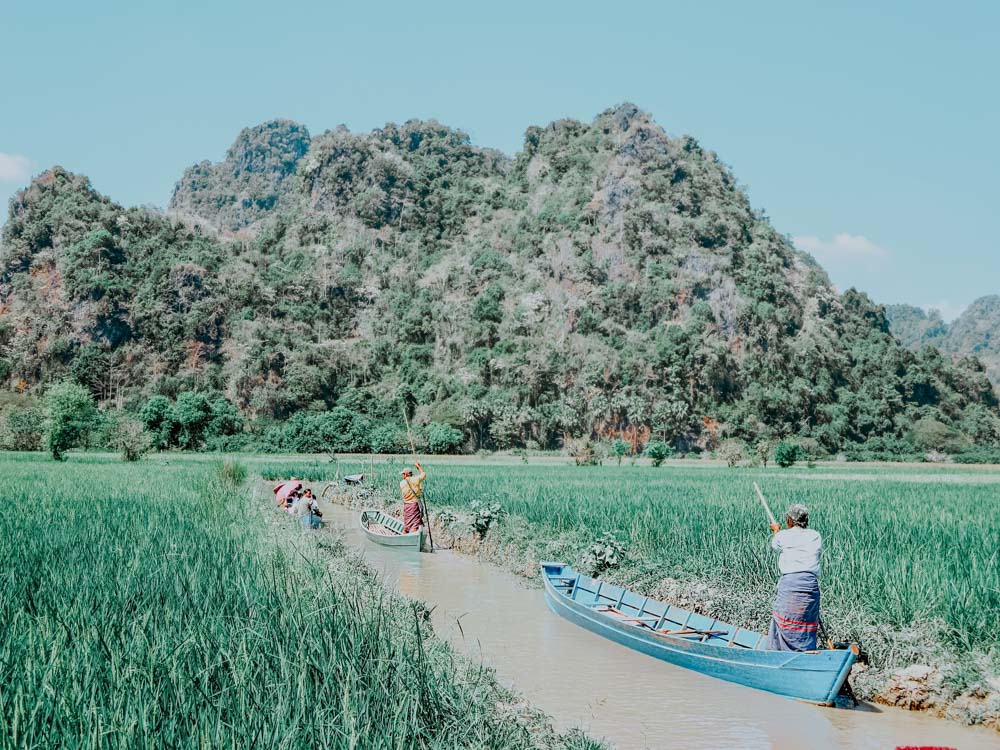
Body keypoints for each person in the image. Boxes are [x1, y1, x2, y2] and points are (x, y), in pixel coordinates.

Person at [766, 503, 822, 651]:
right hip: (811, 586)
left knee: (785, 622)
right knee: (806, 621)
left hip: (791, 586)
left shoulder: (783, 536)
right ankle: (805, 651)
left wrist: (776, 531)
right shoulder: (815, 536)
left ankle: (780, 652)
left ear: (789, 520)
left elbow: (775, 545)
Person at [399, 462, 427, 533]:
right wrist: (418, 467)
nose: (403, 476)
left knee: (407, 523)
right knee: (415, 523)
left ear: (405, 475)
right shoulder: (416, 480)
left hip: (407, 506)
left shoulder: (402, 483)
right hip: (414, 506)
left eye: (403, 474)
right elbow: (423, 474)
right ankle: (414, 534)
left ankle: (406, 534)